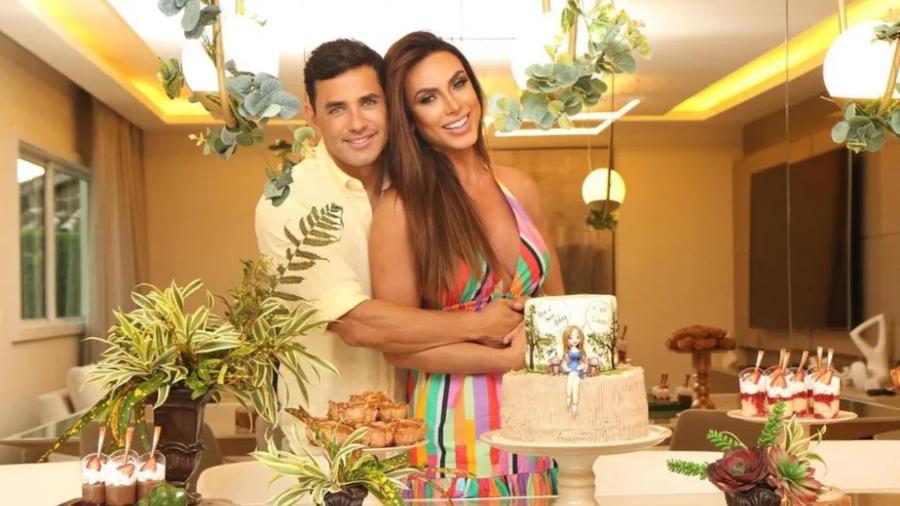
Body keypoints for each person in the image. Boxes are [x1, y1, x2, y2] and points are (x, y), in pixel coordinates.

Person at [254, 39, 525, 446]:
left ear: (391, 106)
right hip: (330, 444)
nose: (357, 123)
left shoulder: (416, 187)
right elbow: (356, 323)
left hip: (425, 433)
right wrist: (483, 324)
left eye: (368, 102)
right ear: (312, 116)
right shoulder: (290, 202)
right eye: (337, 109)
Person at [370, 31, 565, 498]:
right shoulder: (401, 209)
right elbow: (398, 347)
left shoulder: (520, 187)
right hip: (454, 435)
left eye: (458, 84)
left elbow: (560, 307)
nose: (454, 105)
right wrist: (505, 357)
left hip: (540, 425)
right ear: (410, 120)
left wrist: (538, 334)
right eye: (428, 98)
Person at [560, 325, 587, 414]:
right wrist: (566, 368)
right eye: (570, 337)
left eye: (577, 337)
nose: (574, 340)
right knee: (573, 381)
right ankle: (569, 398)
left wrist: (582, 366)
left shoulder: (580, 352)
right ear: (566, 339)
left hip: (577, 371)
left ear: (580, 338)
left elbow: (583, 362)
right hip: (571, 369)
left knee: (575, 381)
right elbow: (564, 362)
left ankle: (574, 403)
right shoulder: (567, 352)